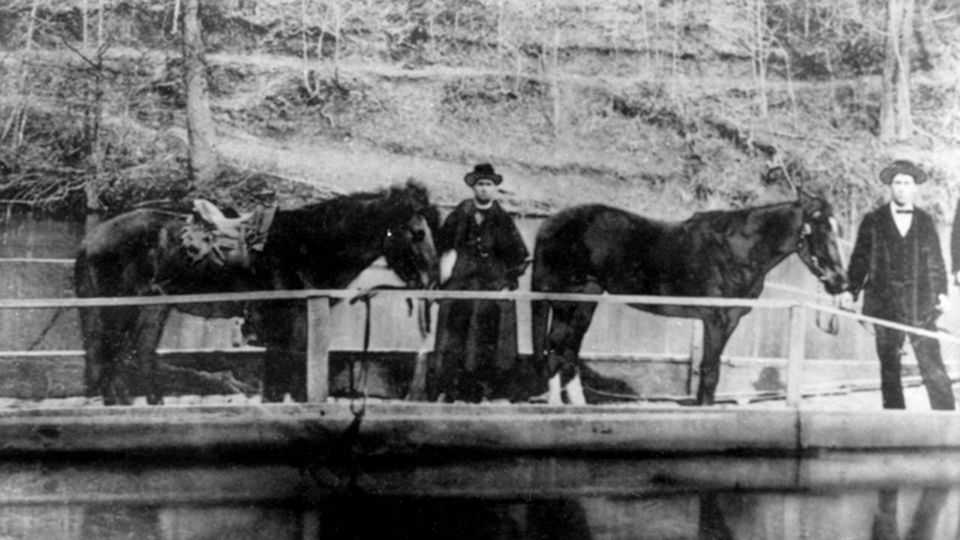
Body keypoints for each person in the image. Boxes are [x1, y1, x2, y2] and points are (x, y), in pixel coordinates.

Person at [840, 160, 955, 410]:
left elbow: (936, 262)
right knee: (890, 369)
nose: (902, 188)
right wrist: (850, 290)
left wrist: (942, 294)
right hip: (884, 305)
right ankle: (894, 419)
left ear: (915, 188)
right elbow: (859, 260)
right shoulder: (873, 220)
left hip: (920, 306)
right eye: (897, 183)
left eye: (906, 183)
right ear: (890, 188)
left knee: (932, 366)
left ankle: (949, 422)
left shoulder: (925, 221)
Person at [430, 163, 531, 403]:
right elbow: (442, 246)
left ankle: (491, 391)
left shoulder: (502, 218)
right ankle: (450, 390)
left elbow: (518, 256)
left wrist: (507, 282)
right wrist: (443, 273)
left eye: (488, 185)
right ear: (473, 187)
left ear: (495, 189)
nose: (484, 189)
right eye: (480, 185)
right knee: (454, 332)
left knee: (492, 332)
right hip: (462, 281)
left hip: (491, 282)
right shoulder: (460, 214)